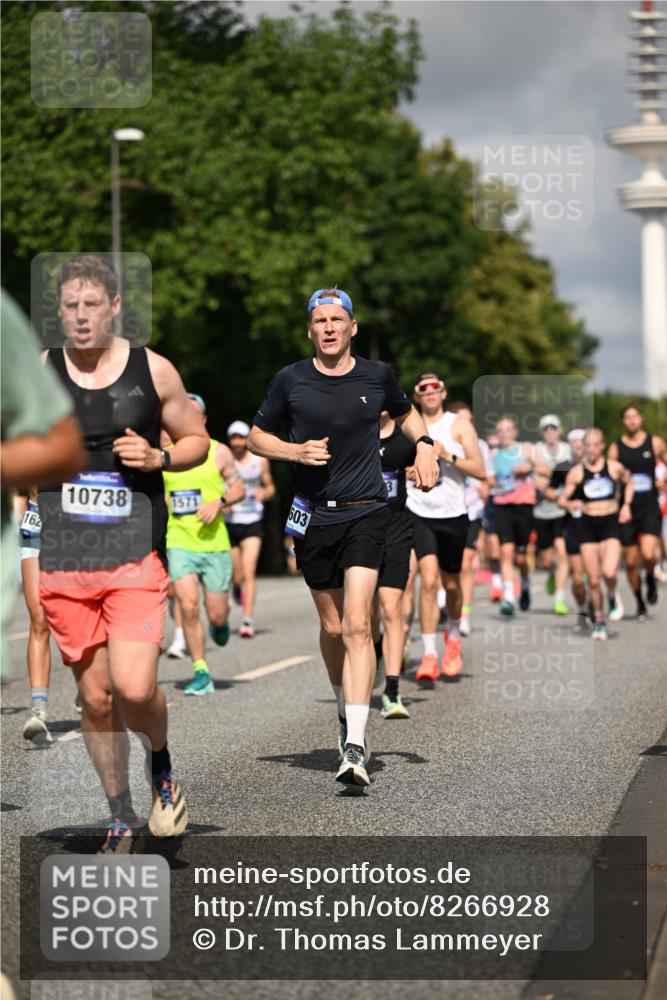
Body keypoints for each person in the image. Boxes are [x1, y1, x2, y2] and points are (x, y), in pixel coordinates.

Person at [36, 255, 209, 851]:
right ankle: (119, 813)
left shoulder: (152, 370)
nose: (82, 316)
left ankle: (161, 763)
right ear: (59, 311)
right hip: (65, 561)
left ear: (114, 307)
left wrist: (161, 458)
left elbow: (196, 438)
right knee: (95, 699)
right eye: (71, 306)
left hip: (135, 557)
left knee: (133, 690)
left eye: (92, 304)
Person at [247, 288, 438, 788]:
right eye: (320, 320)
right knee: (333, 628)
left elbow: (407, 414)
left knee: (357, 625)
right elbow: (255, 438)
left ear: (353, 327)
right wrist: (294, 452)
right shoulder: (291, 379)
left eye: (337, 319)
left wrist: (424, 445)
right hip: (313, 516)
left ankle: (355, 743)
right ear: (310, 329)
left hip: (367, 512)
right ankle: (343, 706)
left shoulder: (377, 376)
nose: (329, 328)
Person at [1, 290, 84, 691]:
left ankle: (91, 687)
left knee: (73, 617)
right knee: (38, 619)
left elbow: (65, 449)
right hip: (34, 520)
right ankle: (38, 706)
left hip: (74, 523)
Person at [162, 394, 244, 694]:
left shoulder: (219, 452)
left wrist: (219, 502)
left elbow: (239, 488)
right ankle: (200, 670)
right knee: (187, 604)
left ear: (204, 419)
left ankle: (220, 624)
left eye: (194, 413)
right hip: (179, 540)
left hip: (214, 543)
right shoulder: (166, 455)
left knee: (216, 614)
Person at [406, 375, 485, 682]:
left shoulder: (458, 425)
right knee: (428, 581)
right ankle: (428, 655)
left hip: (453, 514)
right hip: (419, 511)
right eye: (423, 389)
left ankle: (452, 634)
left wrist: (445, 455)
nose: (430, 393)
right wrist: (407, 470)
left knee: (451, 584)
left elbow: (479, 469)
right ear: (416, 396)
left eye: (435, 388)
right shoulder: (408, 424)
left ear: (443, 392)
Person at [558, 428, 632, 640]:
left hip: (609, 523)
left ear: (602, 446)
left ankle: (612, 593)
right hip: (587, 526)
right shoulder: (577, 472)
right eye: (587, 445)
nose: (591, 449)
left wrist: (626, 505)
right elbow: (562, 499)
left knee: (609, 572)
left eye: (595, 445)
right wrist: (569, 504)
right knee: (593, 579)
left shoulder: (614, 467)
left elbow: (630, 483)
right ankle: (600, 622)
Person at [375, 365, 416, 718]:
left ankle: (392, 690)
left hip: (397, 530)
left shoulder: (407, 438)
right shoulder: (353, 434)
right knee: (361, 615)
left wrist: (425, 468)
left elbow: (430, 468)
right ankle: (374, 647)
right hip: (358, 531)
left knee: (391, 609)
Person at [608, 404, 667, 618]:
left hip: (650, 506)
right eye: (627, 417)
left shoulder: (655, 442)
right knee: (631, 561)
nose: (632, 420)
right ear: (622, 421)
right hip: (627, 509)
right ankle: (639, 601)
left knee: (649, 554)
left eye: (635, 416)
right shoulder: (616, 448)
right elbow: (608, 474)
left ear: (641, 419)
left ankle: (650, 578)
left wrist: (663, 481)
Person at [446, 402, 495, 637]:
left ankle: (463, 615)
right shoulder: (441, 440)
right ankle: (446, 602)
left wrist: (485, 486)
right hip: (445, 510)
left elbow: (489, 477)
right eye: (462, 420)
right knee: (443, 566)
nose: (468, 425)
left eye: (471, 421)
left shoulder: (481, 445)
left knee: (465, 563)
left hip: (471, 511)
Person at [224, 419, 276, 638]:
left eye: (241, 437)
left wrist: (264, 493)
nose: (237, 442)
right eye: (233, 438)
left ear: (247, 439)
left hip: (252, 520)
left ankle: (247, 620)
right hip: (230, 521)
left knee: (248, 570)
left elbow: (270, 486)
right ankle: (236, 587)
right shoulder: (224, 460)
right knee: (236, 574)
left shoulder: (259, 461)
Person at [491, 415, 536, 616]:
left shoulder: (526, 449)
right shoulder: (493, 454)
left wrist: (529, 467)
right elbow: (487, 478)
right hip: (502, 506)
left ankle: (525, 583)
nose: (504, 434)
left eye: (508, 429)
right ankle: (509, 597)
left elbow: (544, 468)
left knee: (521, 557)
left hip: (523, 506)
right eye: (500, 430)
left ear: (515, 432)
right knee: (506, 551)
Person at [547, 429, 589, 630]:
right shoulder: (562, 467)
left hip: (596, 522)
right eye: (574, 442)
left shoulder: (598, 465)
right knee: (566, 563)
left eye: (581, 441)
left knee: (596, 569)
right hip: (568, 521)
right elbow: (550, 489)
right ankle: (564, 601)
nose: (578, 445)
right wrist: (562, 499)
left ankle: (609, 596)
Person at [532, 414, 571, 615]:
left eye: (553, 428)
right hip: (541, 511)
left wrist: (548, 474)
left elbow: (571, 475)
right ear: (541, 432)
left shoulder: (568, 450)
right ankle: (551, 575)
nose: (550, 432)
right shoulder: (536, 450)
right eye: (546, 429)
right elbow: (535, 480)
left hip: (562, 511)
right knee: (546, 560)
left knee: (562, 554)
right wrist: (552, 478)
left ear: (560, 430)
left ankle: (559, 600)